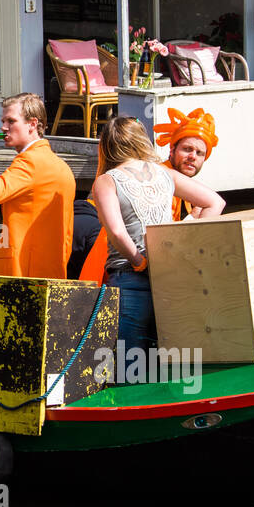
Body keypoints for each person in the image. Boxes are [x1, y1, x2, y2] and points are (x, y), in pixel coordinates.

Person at [91, 117, 224, 360]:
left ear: (108, 146)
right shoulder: (165, 174)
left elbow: (117, 232)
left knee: (130, 363)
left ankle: (132, 399)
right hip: (171, 278)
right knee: (170, 360)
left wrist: (138, 261)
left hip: (130, 278)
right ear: (142, 141)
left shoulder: (107, 180)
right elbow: (215, 202)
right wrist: (188, 243)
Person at [0, 92, 76, 279]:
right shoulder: (60, 165)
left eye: (11, 121)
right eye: (3, 121)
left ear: (32, 124)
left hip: (21, 272)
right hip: (51, 269)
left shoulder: (30, 161)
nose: (3, 128)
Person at [153, 107, 219, 220]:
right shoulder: (160, 178)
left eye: (200, 153)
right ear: (172, 150)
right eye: (187, 149)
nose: (193, 157)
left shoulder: (182, 180)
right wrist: (194, 216)